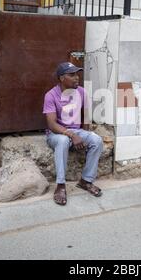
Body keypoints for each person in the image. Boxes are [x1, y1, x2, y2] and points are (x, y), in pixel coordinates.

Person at [43, 62, 103, 206]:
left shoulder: (81, 92)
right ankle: (60, 185)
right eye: (72, 75)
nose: (77, 78)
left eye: (77, 74)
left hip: (76, 131)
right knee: (63, 141)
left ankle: (86, 181)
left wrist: (85, 135)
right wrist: (72, 135)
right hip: (56, 134)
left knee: (97, 140)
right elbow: (51, 124)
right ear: (61, 78)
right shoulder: (51, 95)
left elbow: (86, 116)